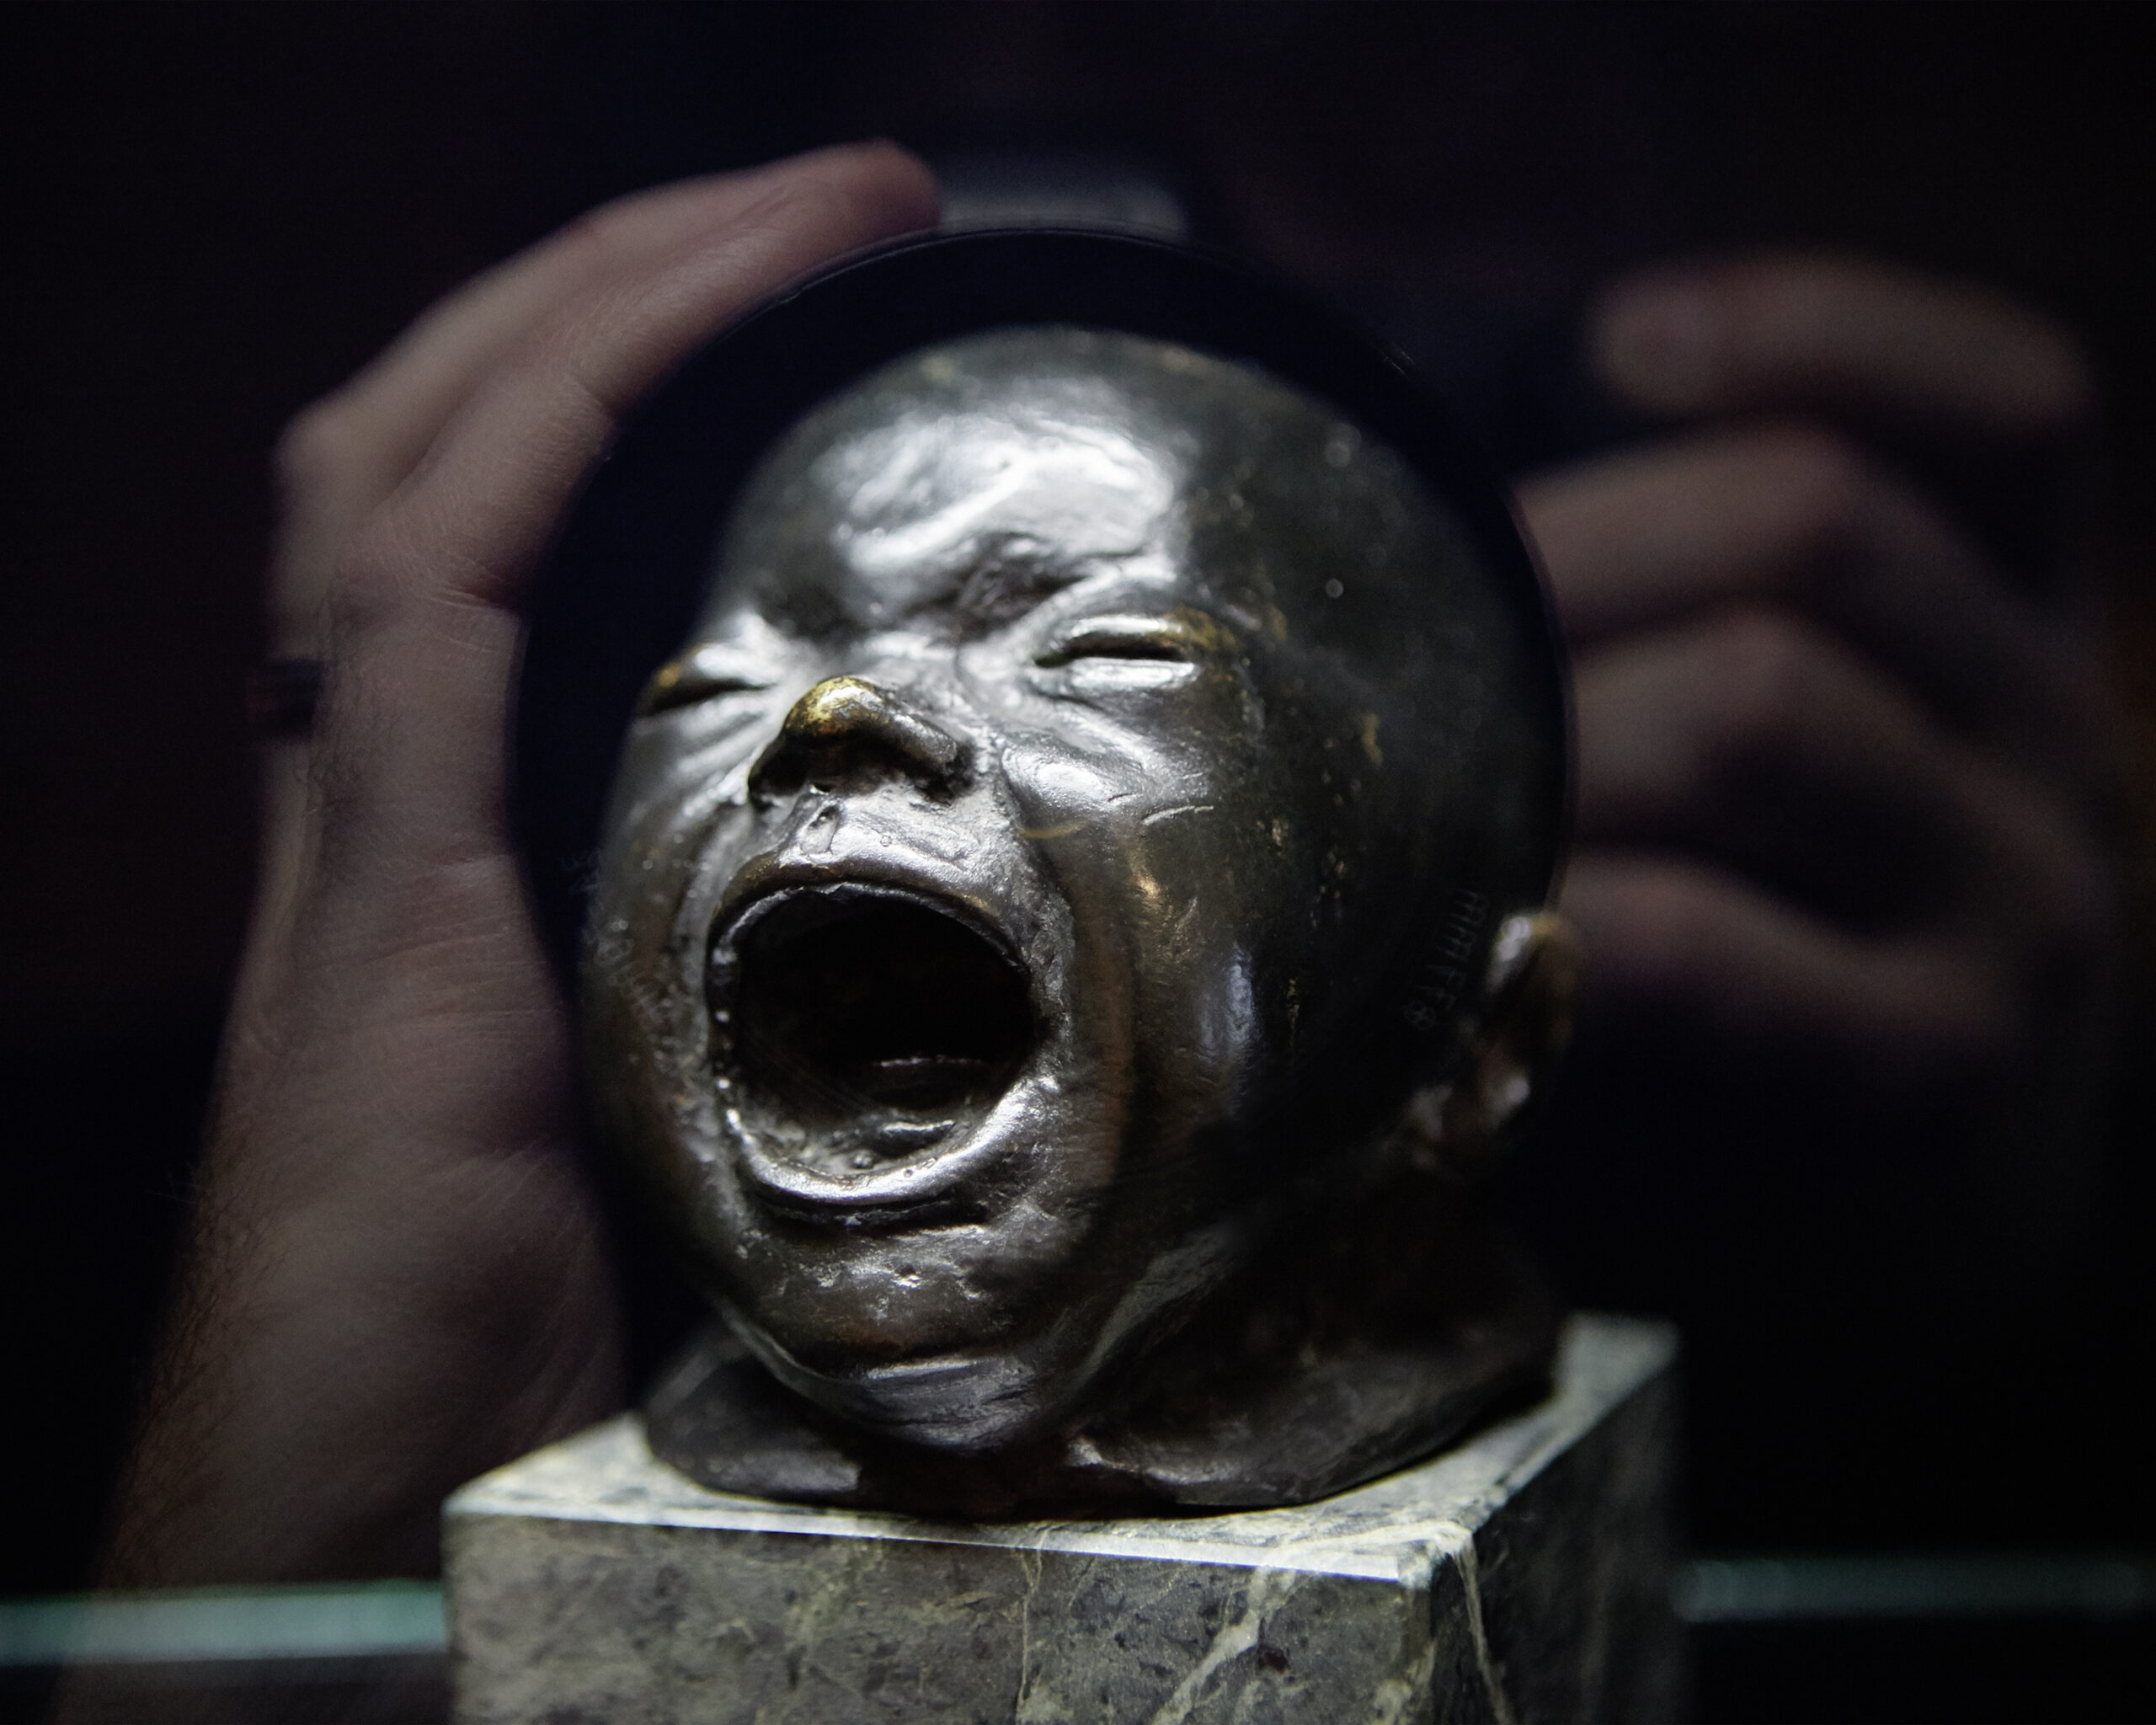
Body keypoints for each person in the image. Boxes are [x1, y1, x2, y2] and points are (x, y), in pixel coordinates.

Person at [97, 140, 2121, 1583]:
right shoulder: (207, 1185)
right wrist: (271, 1636)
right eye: (707, 682)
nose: (835, 714)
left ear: (1484, 1041)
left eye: (1103, 652)